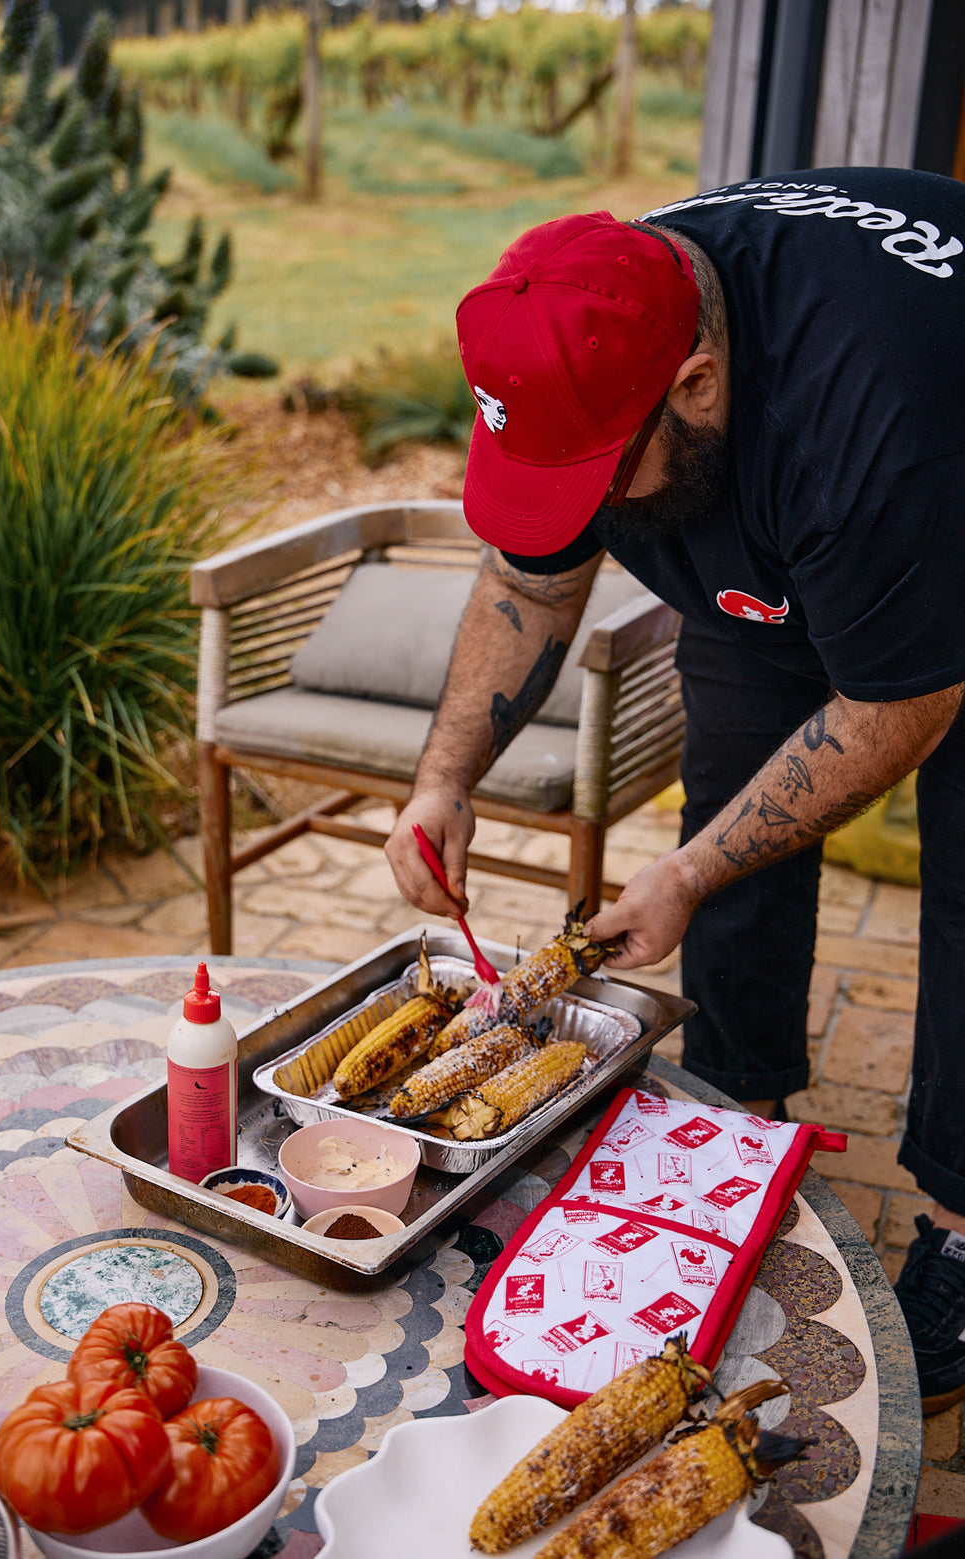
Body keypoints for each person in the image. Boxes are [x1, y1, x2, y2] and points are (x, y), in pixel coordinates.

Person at [383, 167, 965, 1414]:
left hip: (939, 498)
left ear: (695, 384)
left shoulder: (870, 412)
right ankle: (736, 1127)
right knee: (731, 816)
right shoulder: (595, 319)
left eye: (600, 476)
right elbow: (529, 582)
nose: (581, 515)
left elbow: (898, 704)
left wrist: (685, 870)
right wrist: (444, 781)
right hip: (791, 521)